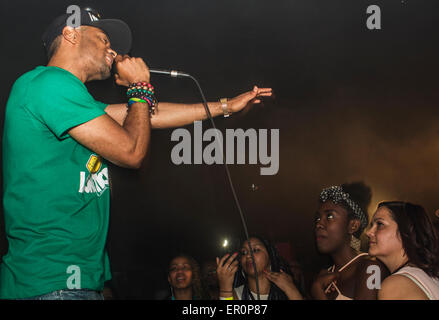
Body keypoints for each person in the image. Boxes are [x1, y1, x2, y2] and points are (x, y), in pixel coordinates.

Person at [0, 7, 272, 300]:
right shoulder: (47, 83)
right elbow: (131, 150)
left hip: (72, 281)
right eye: (103, 38)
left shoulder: (71, 100)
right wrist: (139, 86)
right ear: (70, 34)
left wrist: (227, 106)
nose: (113, 49)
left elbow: (147, 116)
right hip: (51, 280)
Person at [311, 182, 389, 300]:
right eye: (318, 218)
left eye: (329, 216)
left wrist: (317, 292)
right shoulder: (324, 274)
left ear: (353, 226)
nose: (319, 224)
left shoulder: (372, 268)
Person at [366, 201, 439, 300]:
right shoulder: (431, 278)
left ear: (406, 231)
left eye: (380, 224)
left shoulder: (396, 286)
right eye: (372, 225)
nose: (369, 232)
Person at [216, 236, 303, 300]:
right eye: (244, 252)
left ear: (270, 257)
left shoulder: (286, 291)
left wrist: (292, 290)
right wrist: (225, 289)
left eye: (256, 250)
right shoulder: (235, 295)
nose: (248, 256)